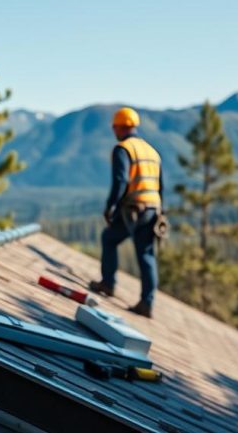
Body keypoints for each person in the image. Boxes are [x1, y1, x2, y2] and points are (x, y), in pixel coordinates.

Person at [89, 107, 163, 318]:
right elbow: (161, 186)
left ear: (120, 127)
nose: (114, 131)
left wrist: (110, 206)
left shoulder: (123, 149)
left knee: (109, 238)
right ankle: (147, 303)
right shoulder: (152, 151)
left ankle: (108, 284)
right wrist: (161, 210)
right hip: (152, 208)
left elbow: (121, 180)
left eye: (114, 127)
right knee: (147, 255)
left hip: (134, 209)